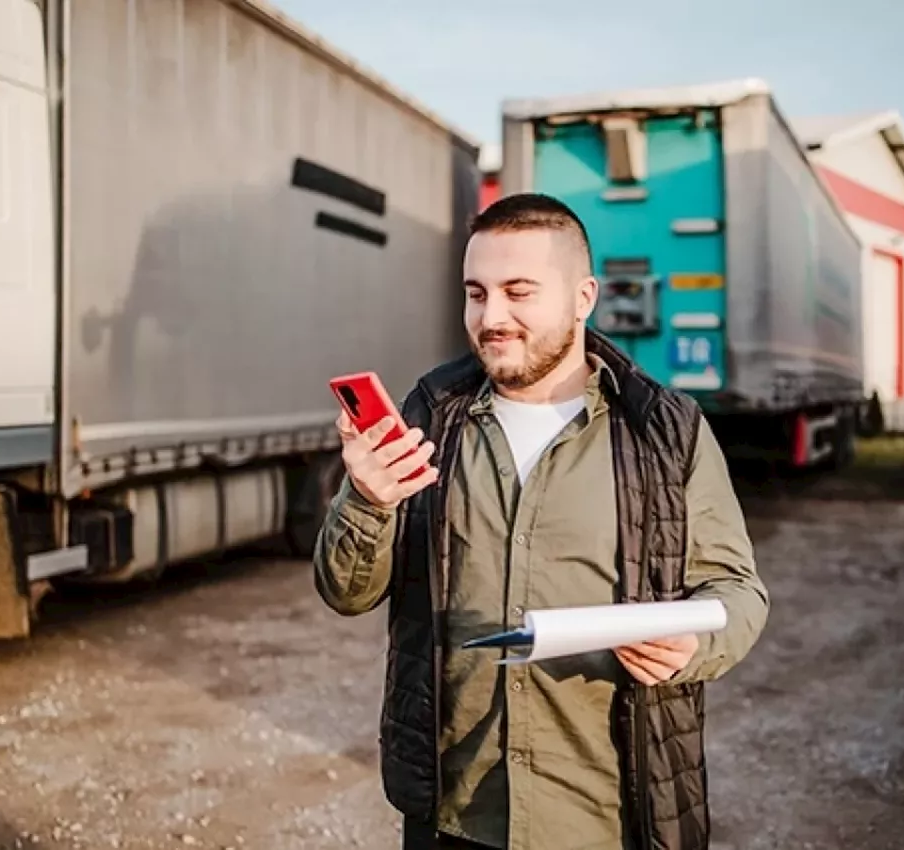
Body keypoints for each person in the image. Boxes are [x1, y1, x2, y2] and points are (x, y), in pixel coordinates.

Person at [313, 192, 769, 850]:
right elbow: (346, 593)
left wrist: (694, 649)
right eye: (476, 293)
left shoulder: (665, 431)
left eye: (517, 292)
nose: (490, 317)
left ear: (584, 297)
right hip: (455, 817)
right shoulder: (429, 416)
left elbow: (738, 592)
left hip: (609, 818)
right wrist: (367, 500)